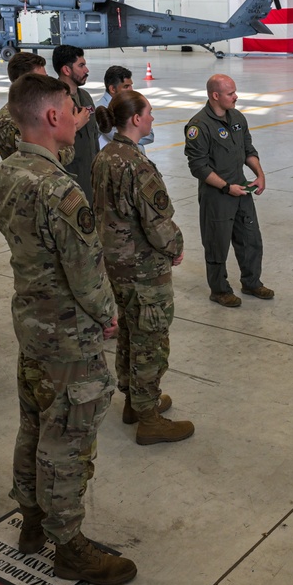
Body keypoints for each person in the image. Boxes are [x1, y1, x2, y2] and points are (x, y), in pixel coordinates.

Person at [0, 73, 137, 585]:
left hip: (31, 323)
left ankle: (31, 522)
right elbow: (86, 272)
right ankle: (68, 544)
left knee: (34, 423)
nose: (79, 116)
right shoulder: (58, 190)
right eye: (72, 109)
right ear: (52, 117)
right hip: (70, 335)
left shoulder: (5, 173)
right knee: (69, 438)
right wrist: (108, 314)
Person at [93, 91, 194, 445]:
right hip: (143, 267)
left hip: (115, 265)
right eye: (149, 113)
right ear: (136, 119)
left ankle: (133, 402)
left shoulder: (105, 155)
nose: (152, 119)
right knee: (151, 338)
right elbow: (157, 220)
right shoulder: (136, 163)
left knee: (130, 334)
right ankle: (149, 417)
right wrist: (176, 248)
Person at [184, 74, 273, 307]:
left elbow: (248, 150)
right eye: (230, 93)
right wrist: (226, 187)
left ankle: (252, 282)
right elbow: (198, 167)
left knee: (251, 239)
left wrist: (260, 174)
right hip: (217, 196)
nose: (236, 96)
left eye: (234, 92)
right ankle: (219, 290)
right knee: (217, 244)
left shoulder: (237, 118)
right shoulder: (198, 126)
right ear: (215, 96)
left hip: (241, 190)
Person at [52, 45, 98, 204]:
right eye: (81, 65)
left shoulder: (85, 97)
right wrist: (74, 126)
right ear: (66, 70)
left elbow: (94, 135)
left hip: (91, 179)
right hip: (67, 183)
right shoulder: (53, 101)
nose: (86, 70)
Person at [96, 65, 154, 150]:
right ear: (112, 89)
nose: (131, 90)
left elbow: (150, 136)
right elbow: (119, 138)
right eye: (126, 87)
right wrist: (139, 134)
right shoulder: (102, 110)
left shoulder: (131, 104)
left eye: (131, 86)